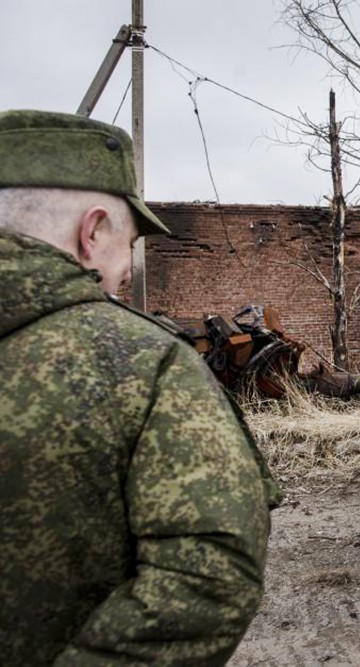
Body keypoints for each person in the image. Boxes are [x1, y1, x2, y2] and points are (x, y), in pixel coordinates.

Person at [0, 109, 277, 665]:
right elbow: (209, 576)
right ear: (93, 230)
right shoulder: (142, 362)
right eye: (130, 241)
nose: (129, 266)